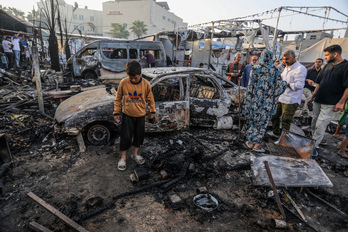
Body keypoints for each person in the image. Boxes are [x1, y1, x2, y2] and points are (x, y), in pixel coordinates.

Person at [113, 60, 156, 171]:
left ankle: (135, 154)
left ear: (140, 74)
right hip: (127, 115)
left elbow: (150, 99)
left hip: (140, 115)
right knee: (125, 137)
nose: (132, 80)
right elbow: (118, 99)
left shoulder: (146, 84)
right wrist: (116, 112)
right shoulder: (123, 83)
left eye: (135, 78)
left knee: (138, 136)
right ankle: (123, 157)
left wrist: (153, 112)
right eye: (130, 77)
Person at [242, 50, 287, 152]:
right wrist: (285, 84)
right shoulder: (275, 69)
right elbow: (278, 88)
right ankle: (257, 145)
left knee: (253, 120)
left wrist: (247, 102)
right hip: (267, 102)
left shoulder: (255, 68)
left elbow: (250, 86)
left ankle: (250, 142)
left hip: (254, 101)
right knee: (262, 122)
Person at [308, 45, 348, 149]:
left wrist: (341, 102)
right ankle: (314, 142)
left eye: (327, 55)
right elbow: (319, 83)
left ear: (335, 54)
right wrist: (312, 97)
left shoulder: (346, 66)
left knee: (320, 125)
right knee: (314, 123)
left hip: (331, 103)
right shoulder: (327, 66)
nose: (325, 57)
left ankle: (311, 148)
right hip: (318, 100)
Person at [269, 50, 307, 138]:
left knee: (286, 120)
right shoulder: (286, 67)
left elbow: (300, 85)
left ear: (294, 57)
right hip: (281, 97)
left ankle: (284, 138)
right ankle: (276, 133)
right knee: (274, 116)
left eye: (287, 59)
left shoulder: (300, 68)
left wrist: (286, 84)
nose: (285, 61)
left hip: (291, 99)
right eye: (284, 59)